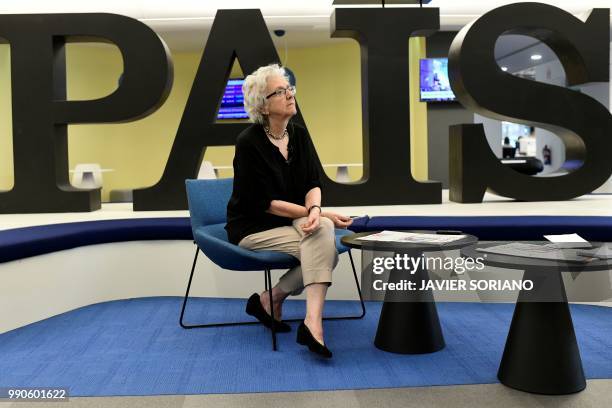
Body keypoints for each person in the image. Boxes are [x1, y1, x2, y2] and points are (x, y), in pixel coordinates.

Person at [225, 64, 353, 358]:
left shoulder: (299, 135)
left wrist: (317, 209)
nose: (289, 94)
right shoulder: (248, 143)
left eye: (289, 88)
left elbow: (312, 182)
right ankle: (287, 311)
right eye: (280, 91)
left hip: (295, 219)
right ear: (263, 104)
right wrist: (318, 216)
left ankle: (304, 318)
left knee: (321, 234)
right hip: (254, 226)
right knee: (325, 249)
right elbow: (264, 203)